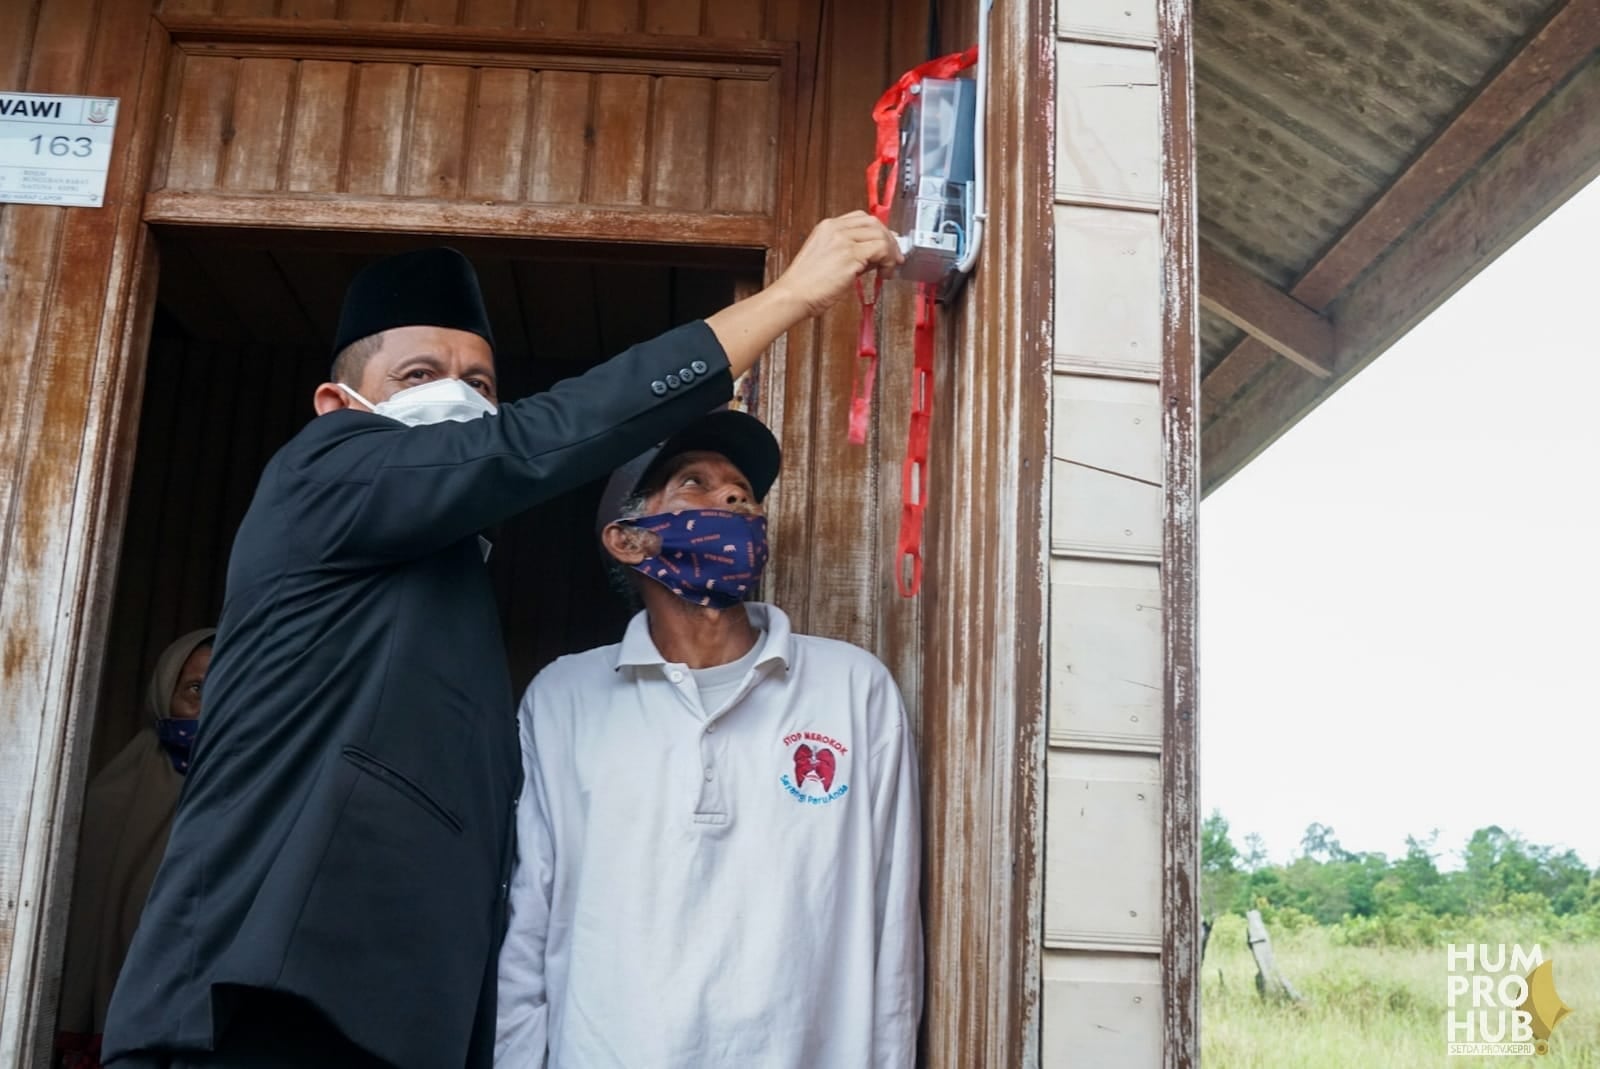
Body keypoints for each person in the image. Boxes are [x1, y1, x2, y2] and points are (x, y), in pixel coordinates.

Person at [100, 212, 901, 1069]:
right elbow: (526, 445)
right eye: (420, 372)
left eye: (481, 386)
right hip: (253, 1008)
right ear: (339, 404)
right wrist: (787, 299)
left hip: (376, 1022)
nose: (459, 396)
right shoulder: (319, 476)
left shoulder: (444, 586)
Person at [495, 410, 923, 1068]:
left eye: (743, 493)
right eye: (694, 482)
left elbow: (893, 929)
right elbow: (526, 928)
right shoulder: (563, 700)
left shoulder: (853, 691)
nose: (732, 498)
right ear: (629, 540)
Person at [57, 629, 215, 1069]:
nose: (210, 707)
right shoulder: (112, 796)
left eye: (228, 686)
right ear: (165, 694)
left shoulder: (254, 792)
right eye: (195, 689)